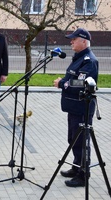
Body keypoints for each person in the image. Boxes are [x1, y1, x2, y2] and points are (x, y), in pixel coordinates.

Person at [53, 28, 98, 187]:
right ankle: (76, 166)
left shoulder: (89, 61)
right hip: (73, 107)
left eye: (74, 39)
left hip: (82, 109)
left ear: (84, 41)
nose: (71, 41)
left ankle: (83, 175)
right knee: (73, 139)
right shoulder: (78, 58)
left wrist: (62, 84)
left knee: (81, 142)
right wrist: (64, 81)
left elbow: (82, 83)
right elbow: (73, 77)